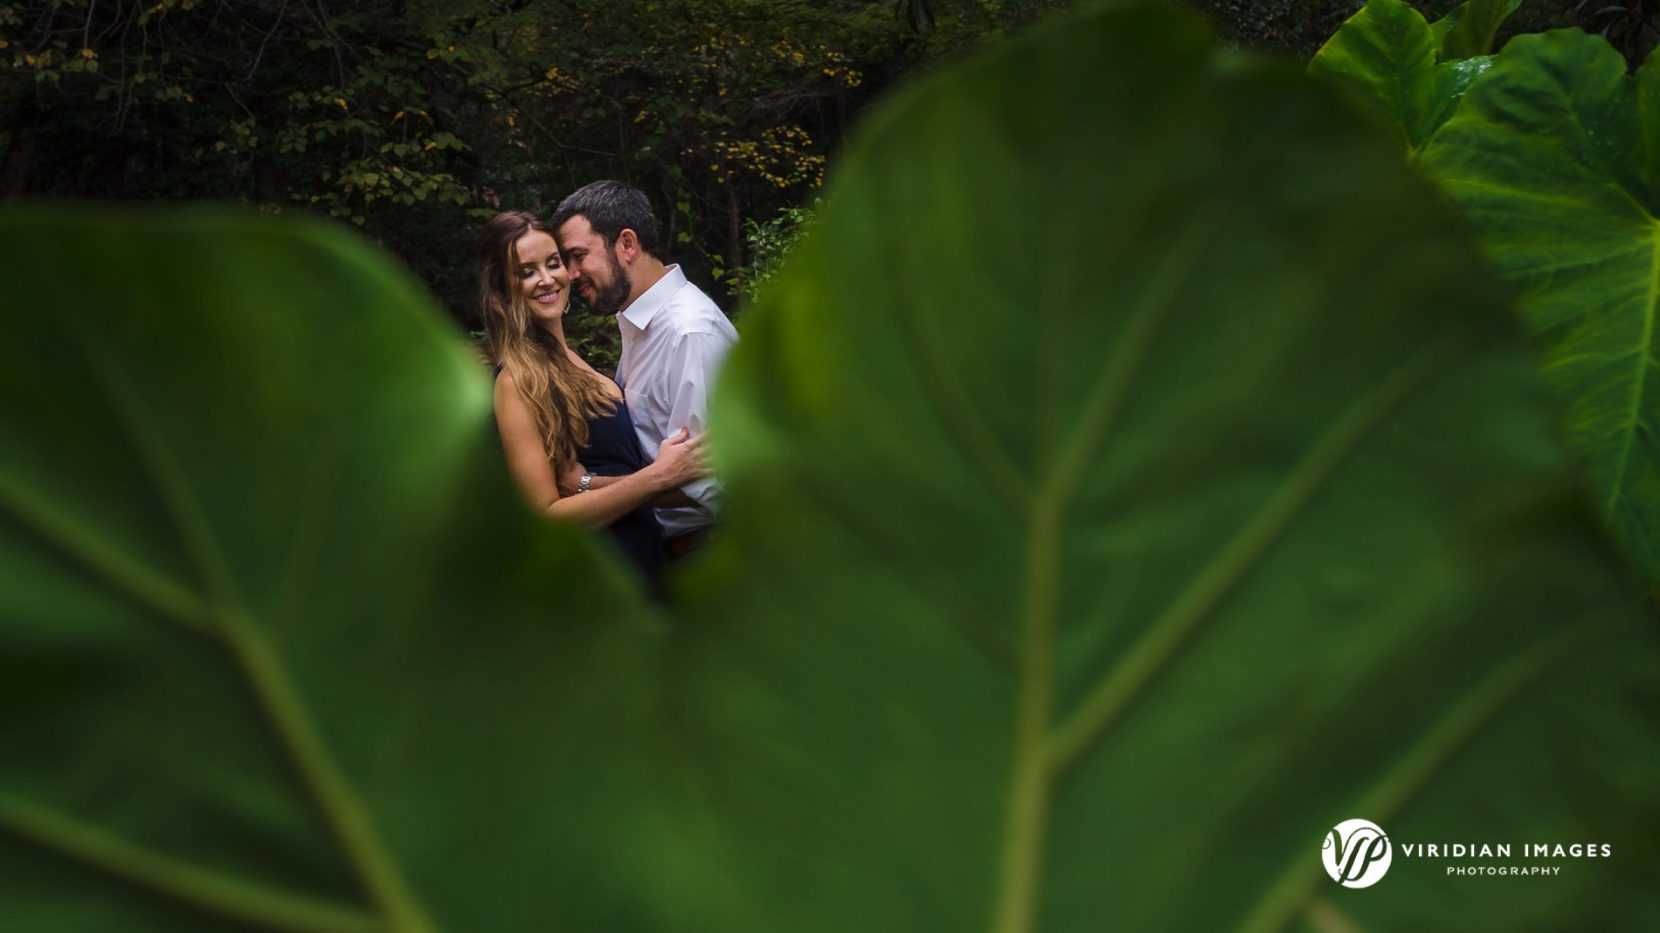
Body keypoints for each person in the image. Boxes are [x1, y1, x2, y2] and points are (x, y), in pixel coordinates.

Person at [475, 210, 706, 586]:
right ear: (503, 287)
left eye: (553, 264)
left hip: (647, 562)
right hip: (600, 580)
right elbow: (545, 516)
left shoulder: (577, 363)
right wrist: (656, 478)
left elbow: (623, 479)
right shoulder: (516, 380)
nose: (547, 279)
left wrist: (599, 484)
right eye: (527, 271)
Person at [551, 181, 739, 560]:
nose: (570, 275)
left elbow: (703, 481)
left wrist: (588, 485)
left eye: (578, 256)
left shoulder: (689, 333)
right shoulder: (643, 323)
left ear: (626, 244)